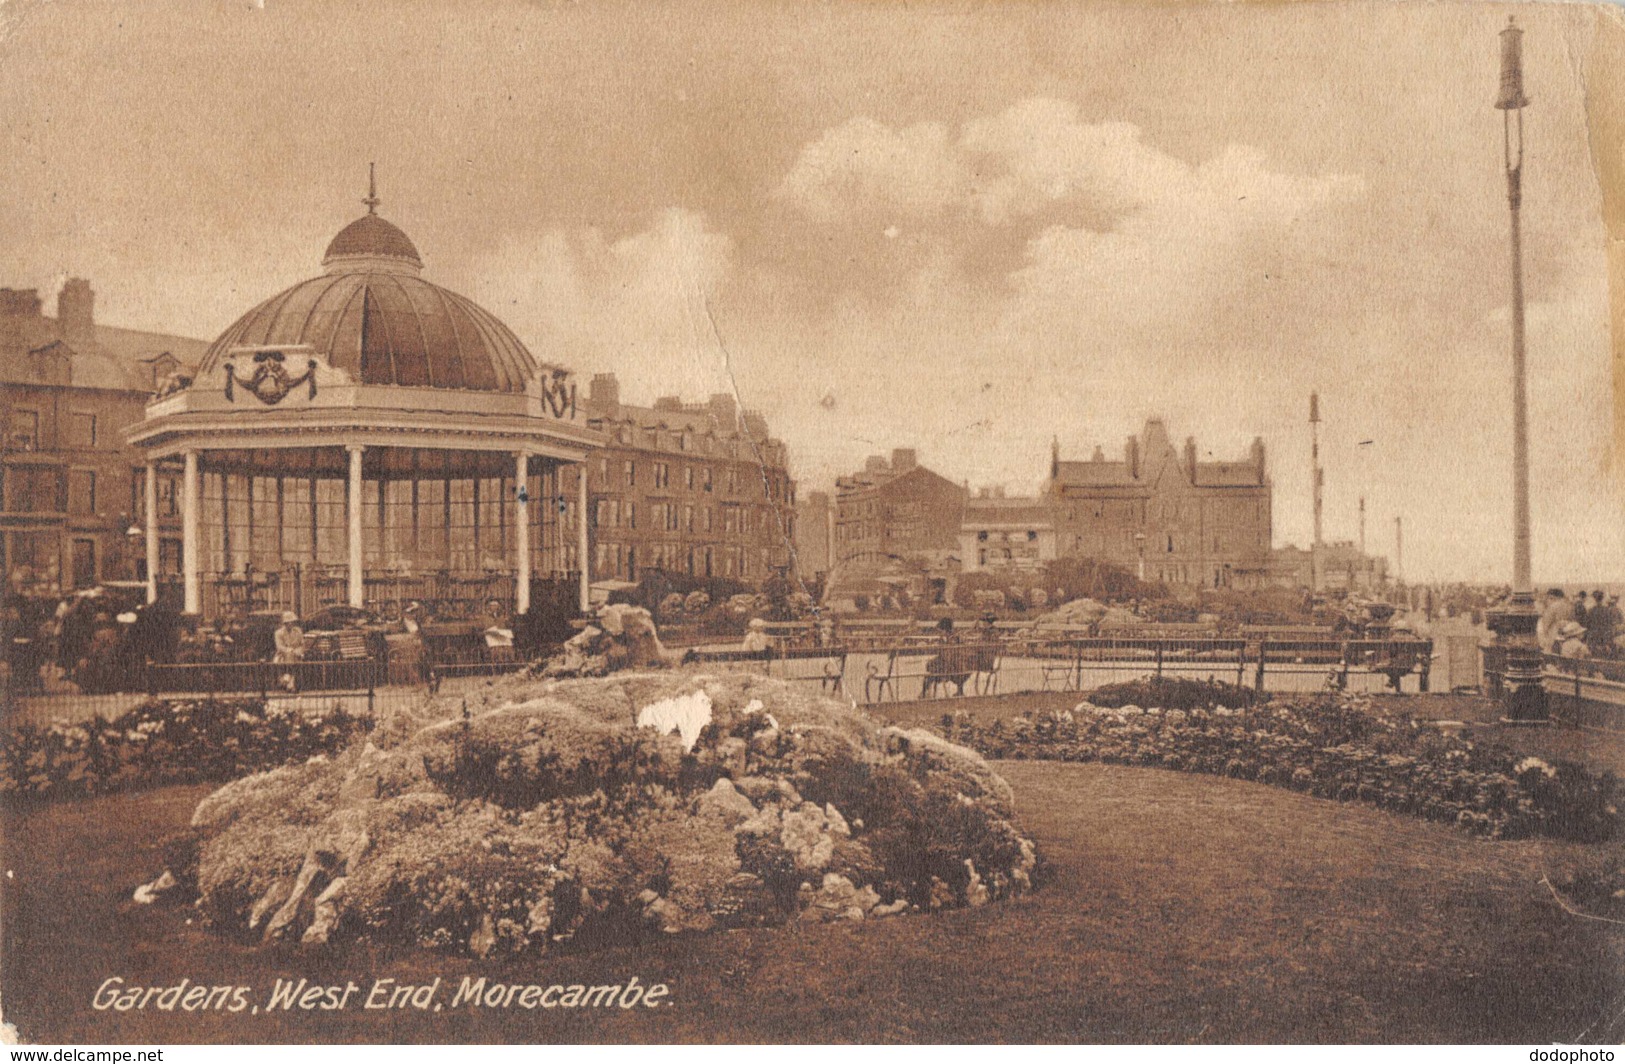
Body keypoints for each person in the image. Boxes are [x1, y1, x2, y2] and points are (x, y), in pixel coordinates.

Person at [1537, 589, 1573, 654]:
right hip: (1566, 633)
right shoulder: (1569, 606)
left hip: (1553, 633)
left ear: (1553, 597)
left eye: (1548, 598)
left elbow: (1546, 624)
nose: (1547, 601)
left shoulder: (1552, 607)